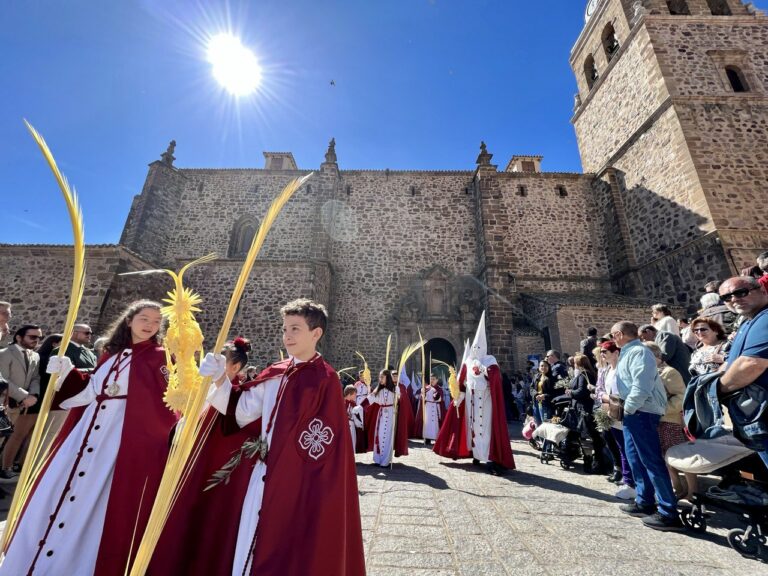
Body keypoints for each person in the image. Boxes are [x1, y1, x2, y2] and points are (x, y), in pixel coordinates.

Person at [0, 301, 177, 575]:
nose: (150, 325)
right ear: (129, 320)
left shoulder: (161, 357)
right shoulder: (111, 353)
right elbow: (91, 390)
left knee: (97, 501)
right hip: (86, 433)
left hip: (120, 440)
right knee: (58, 489)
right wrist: (66, 372)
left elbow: (168, 404)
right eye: (144, 318)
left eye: (156, 321)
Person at [203, 299, 365, 575]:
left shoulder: (324, 379)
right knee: (250, 546)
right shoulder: (276, 372)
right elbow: (240, 413)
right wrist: (220, 378)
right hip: (263, 475)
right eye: (285, 329)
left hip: (300, 482)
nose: (287, 335)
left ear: (316, 334)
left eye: (295, 329)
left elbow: (322, 442)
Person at [148, 337, 260, 576]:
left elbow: (233, 420)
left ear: (235, 368)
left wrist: (220, 381)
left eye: (221, 360)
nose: (213, 363)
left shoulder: (241, 395)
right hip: (189, 465)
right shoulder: (207, 391)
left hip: (211, 472)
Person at [611, 321, 682, 531]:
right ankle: (645, 501)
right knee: (635, 459)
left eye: (614, 335)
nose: (613, 338)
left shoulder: (639, 353)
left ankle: (669, 512)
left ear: (620, 334)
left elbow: (641, 384)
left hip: (642, 411)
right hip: (635, 413)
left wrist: (629, 408)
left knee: (651, 460)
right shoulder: (629, 352)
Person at [716, 276, 768, 470]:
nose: (734, 299)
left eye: (741, 292)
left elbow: (751, 364)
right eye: (727, 297)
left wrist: (716, 390)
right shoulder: (748, 322)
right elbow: (733, 362)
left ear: (762, 290)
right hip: (756, 413)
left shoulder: (765, 318)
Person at [457, 312, 515, 475]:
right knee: (473, 427)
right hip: (472, 400)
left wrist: (485, 370)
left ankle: (489, 457)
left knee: (486, 428)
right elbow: (462, 380)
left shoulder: (490, 360)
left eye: (478, 347)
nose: (476, 349)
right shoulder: (468, 361)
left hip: (487, 399)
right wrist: (459, 395)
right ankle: (476, 454)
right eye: (474, 347)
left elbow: (496, 376)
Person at [644, 341, 696, 502]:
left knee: (681, 457)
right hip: (657, 422)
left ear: (656, 356)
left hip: (670, 421)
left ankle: (693, 492)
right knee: (666, 458)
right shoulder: (649, 372)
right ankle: (678, 488)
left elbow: (681, 396)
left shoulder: (669, 372)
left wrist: (661, 410)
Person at [0, 324, 41, 482]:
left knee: (5, 441)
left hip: (19, 406)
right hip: (4, 403)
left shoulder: (35, 356)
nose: (36, 340)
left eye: (39, 337)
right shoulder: (4, 354)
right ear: (19, 337)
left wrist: (33, 395)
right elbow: (3, 380)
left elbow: (35, 377)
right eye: (32, 337)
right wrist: (24, 396)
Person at [596, 341, 635, 498]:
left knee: (630, 449)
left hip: (626, 412)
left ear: (616, 352)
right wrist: (607, 398)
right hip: (612, 412)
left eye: (606, 351)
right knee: (621, 447)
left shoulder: (623, 369)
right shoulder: (605, 371)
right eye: (602, 352)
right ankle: (628, 481)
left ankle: (633, 482)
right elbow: (599, 390)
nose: (603, 354)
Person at [567, 354, 608, 474]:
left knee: (589, 437)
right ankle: (596, 463)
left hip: (584, 409)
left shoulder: (583, 375)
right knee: (592, 438)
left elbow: (581, 391)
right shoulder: (587, 374)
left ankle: (594, 463)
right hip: (584, 408)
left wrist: (570, 392)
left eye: (575, 363)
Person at [366, 369, 409, 466]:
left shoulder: (395, 389)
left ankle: (385, 460)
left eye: (382, 377)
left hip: (391, 414)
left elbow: (400, 400)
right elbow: (370, 399)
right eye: (379, 377)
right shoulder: (378, 390)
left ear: (387, 378)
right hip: (381, 414)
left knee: (388, 436)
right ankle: (377, 459)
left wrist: (398, 394)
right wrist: (360, 407)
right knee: (380, 435)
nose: (380, 379)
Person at [415, 373, 444, 446]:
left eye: (434, 379)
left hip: (435, 407)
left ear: (437, 380)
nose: (432, 380)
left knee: (435, 423)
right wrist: (423, 394)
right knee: (427, 422)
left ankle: (436, 438)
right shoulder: (426, 388)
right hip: (427, 407)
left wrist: (435, 394)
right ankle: (427, 438)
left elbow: (439, 399)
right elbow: (422, 398)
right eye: (431, 379)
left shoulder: (439, 389)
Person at [531, 361, 556, 426]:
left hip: (545, 404)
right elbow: (531, 388)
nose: (543, 367)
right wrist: (536, 394)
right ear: (539, 367)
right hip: (536, 403)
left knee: (545, 424)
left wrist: (544, 395)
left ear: (549, 367)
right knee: (537, 423)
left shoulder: (552, 378)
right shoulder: (536, 376)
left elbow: (554, 392)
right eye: (541, 366)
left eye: (545, 366)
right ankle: (539, 436)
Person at [343, 385, 364, 453]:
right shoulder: (341, 402)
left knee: (352, 441)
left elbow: (356, 416)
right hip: (343, 426)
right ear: (349, 394)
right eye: (355, 394)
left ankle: (351, 460)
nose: (356, 396)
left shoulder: (353, 404)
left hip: (352, 426)